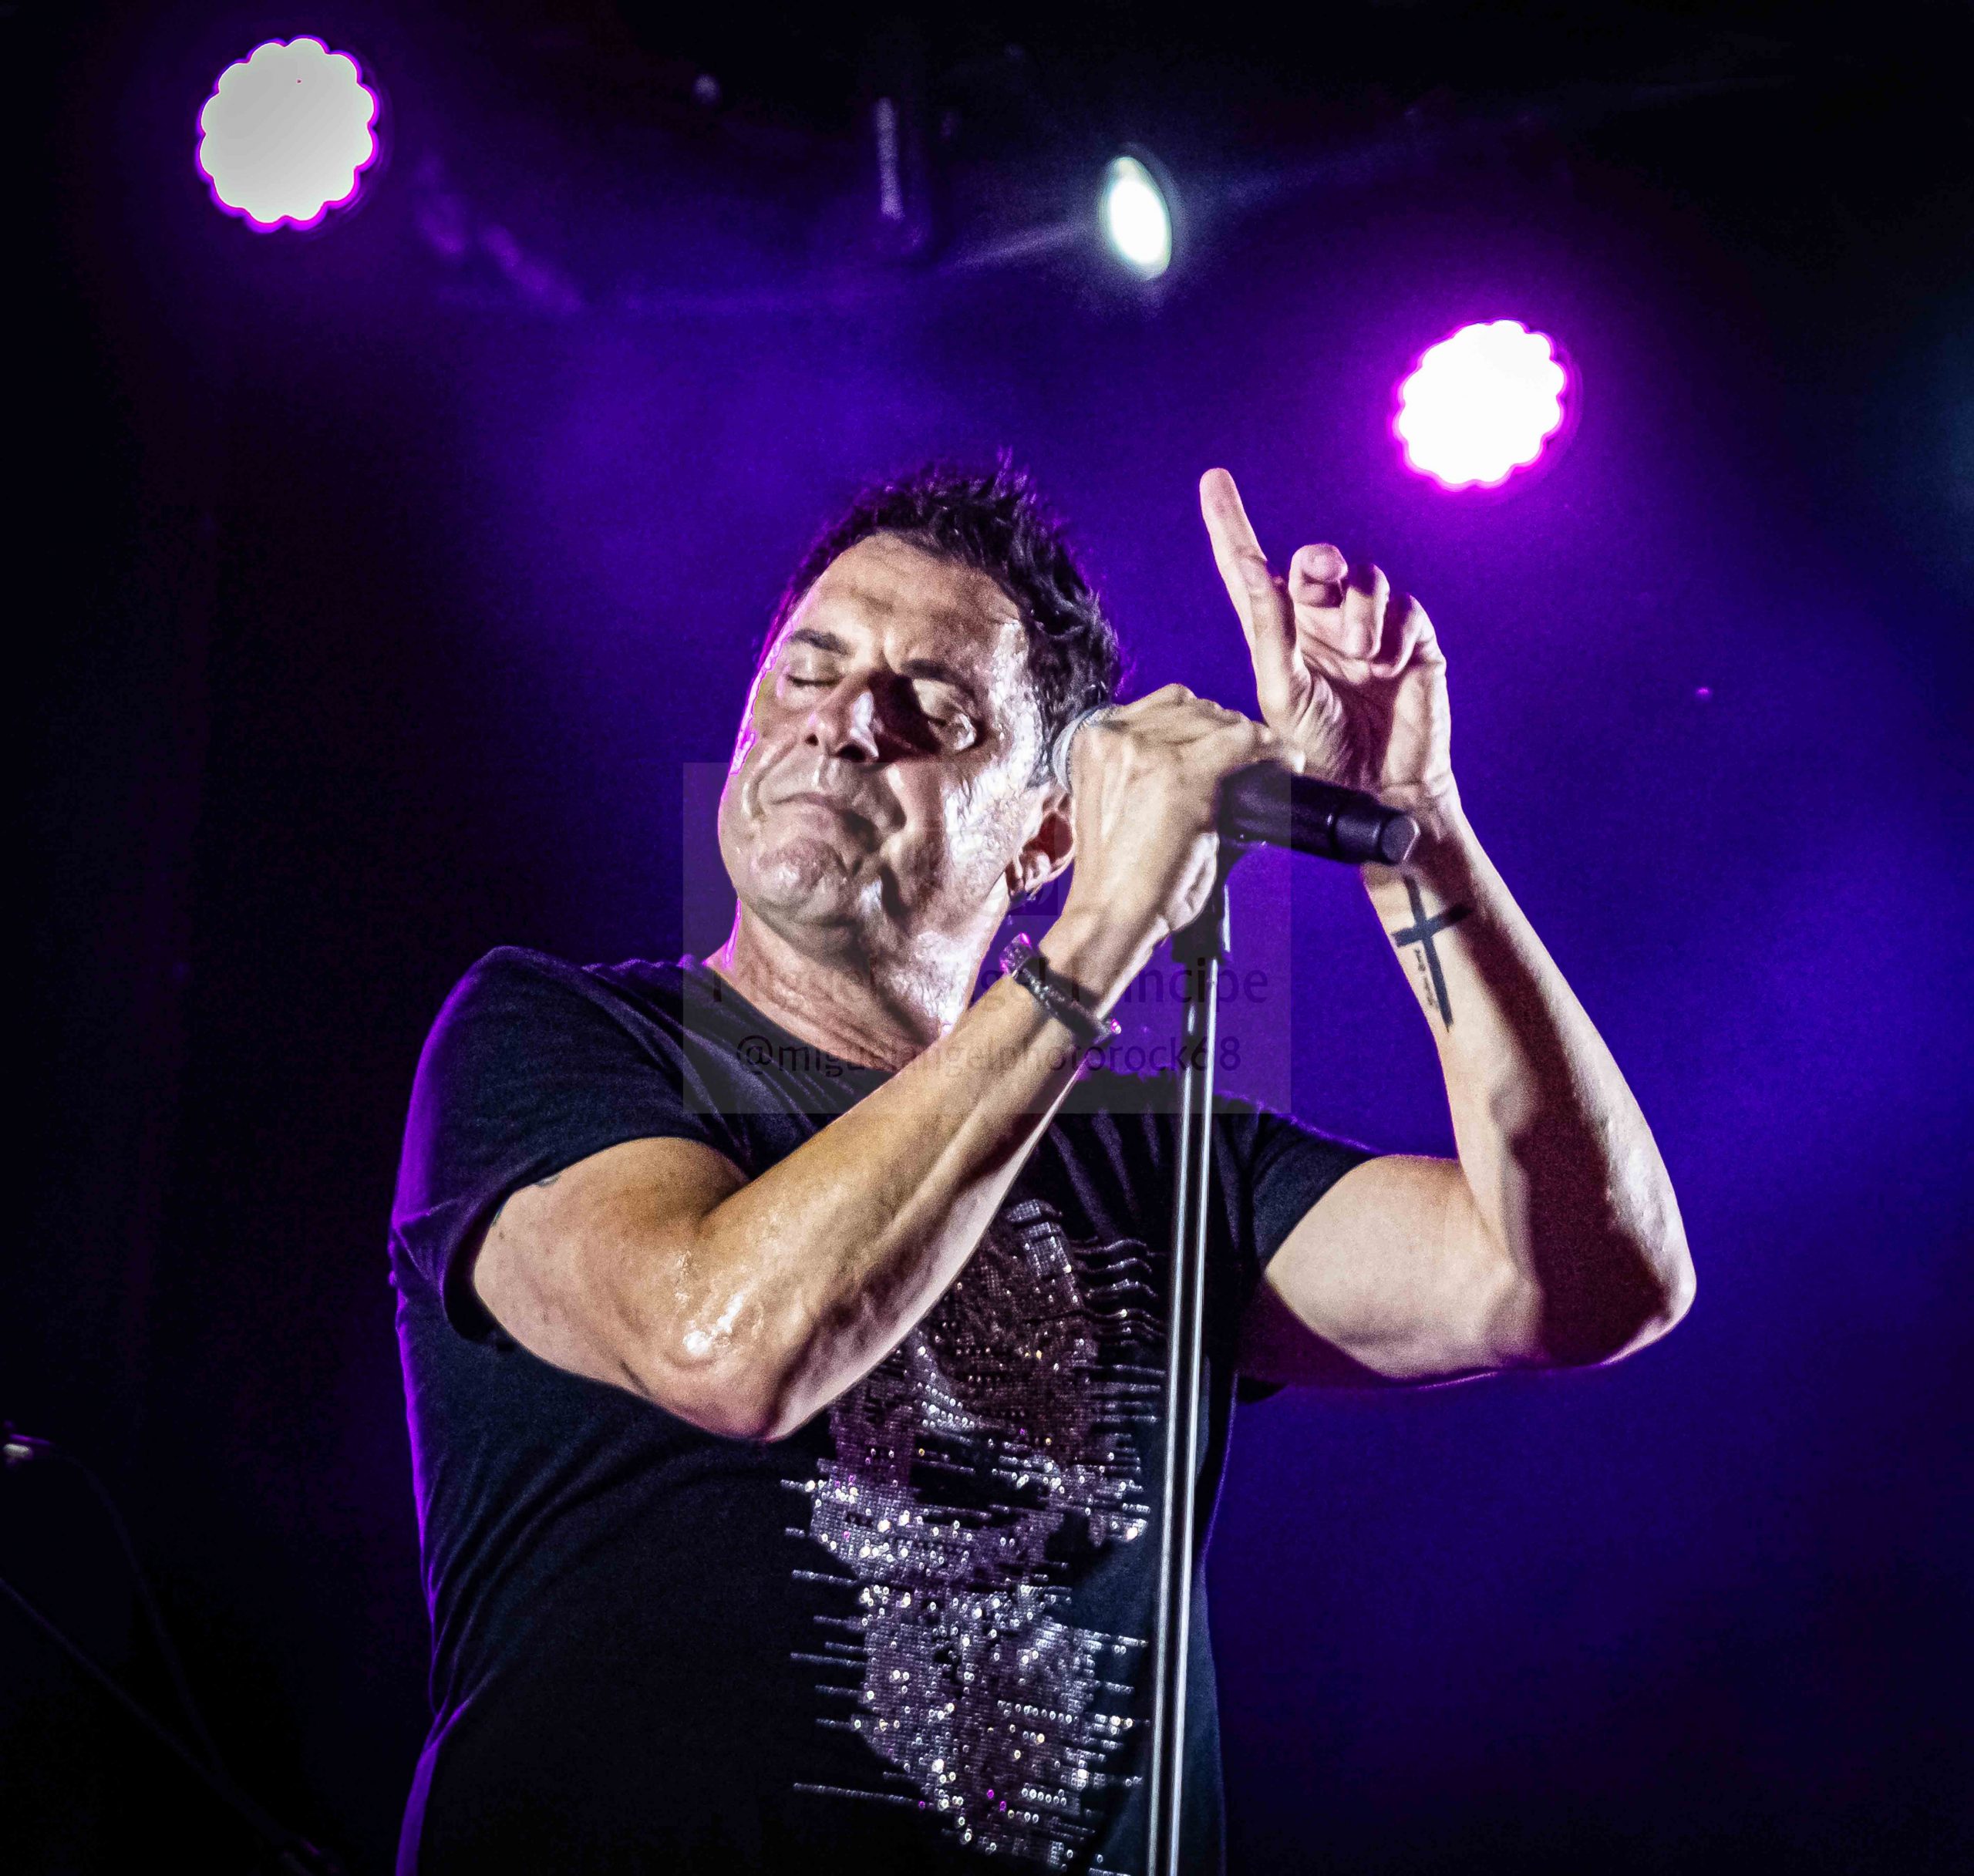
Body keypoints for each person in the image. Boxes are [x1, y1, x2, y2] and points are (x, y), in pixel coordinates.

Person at [389, 460, 1693, 1874]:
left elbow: (1591, 1281)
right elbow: (732, 1344)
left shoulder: (1158, 1166)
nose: (841, 722)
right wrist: (1103, 936)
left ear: (1045, 834)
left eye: (933, 710)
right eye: (808, 672)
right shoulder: (558, 1037)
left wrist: (1418, 832)